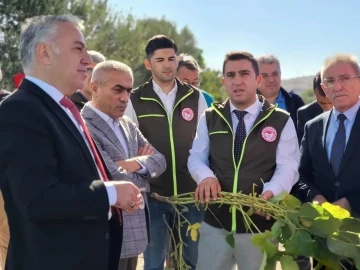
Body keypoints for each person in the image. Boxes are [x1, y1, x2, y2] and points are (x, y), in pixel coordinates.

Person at [0, 15, 143, 270]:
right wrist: (110, 193)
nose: (88, 60)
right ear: (44, 53)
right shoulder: (20, 110)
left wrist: (113, 193)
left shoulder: (62, 108)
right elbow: (39, 199)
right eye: (78, 48)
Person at [188, 51, 300, 270]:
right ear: (223, 81)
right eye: (230, 75)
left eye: (244, 73)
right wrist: (206, 177)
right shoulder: (210, 117)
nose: (237, 80)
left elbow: (288, 166)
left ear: (257, 80)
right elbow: (196, 157)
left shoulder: (280, 119)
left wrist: (272, 193)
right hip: (215, 223)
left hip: (259, 227)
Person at [124, 35, 208, 270]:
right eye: (160, 60)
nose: (167, 64)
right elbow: (131, 147)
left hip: (190, 196)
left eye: (171, 58)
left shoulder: (195, 97)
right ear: (148, 64)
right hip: (153, 197)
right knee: (153, 263)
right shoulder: (135, 99)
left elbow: (204, 142)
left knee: (189, 262)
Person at [81, 60, 167, 270]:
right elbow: (110, 176)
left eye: (128, 91)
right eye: (117, 89)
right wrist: (143, 169)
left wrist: (130, 164)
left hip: (134, 229)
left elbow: (161, 161)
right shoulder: (84, 126)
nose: (125, 98)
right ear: (94, 87)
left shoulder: (127, 124)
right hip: (106, 232)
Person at [296, 54, 360, 270]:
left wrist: (350, 202)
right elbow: (301, 174)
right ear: (323, 87)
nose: (338, 86)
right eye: (330, 81)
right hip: (325, 243)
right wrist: (316, 197)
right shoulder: (312, 127)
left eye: (345, 78)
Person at [257, 54, 304, 128]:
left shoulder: (295, 101)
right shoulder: (248, 104)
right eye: (265, 75)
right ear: (257, 79)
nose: (271, 80)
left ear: (280, 75)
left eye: (275, 74)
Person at [297, 72, 332, 143]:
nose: (328, 108)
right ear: (315, 94)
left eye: (331, 102)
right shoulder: (304, 114)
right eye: (322, 103)